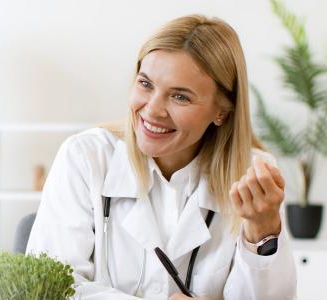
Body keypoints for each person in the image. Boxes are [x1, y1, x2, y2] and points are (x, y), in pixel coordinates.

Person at [27, 14, 296, 299]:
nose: (153, 110)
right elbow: (50, 288)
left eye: (180, 97)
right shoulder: (85, 158)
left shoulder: (253, 175)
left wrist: (263, 231)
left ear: (221, 112)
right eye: (145, 84)